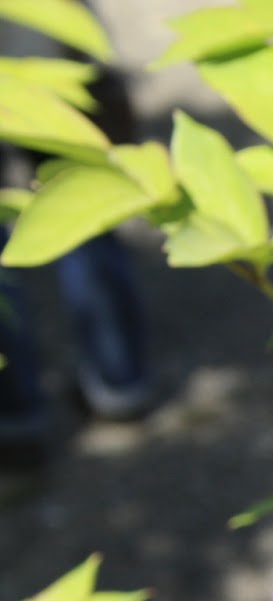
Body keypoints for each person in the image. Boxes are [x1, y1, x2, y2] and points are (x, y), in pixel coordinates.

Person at [0, 6, 152, 464]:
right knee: (82, 210)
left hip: (47, 47)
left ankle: (16, 418)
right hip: (48, 48)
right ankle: (120, 380)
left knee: (80, 212)